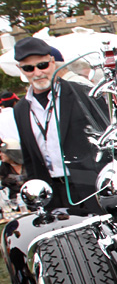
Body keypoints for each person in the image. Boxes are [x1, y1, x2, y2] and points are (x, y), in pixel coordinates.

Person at [11, 36, 107, 209]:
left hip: (90, 188)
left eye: (42, 65)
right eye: (28, 68)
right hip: (51, 195)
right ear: (21, 70)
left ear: (53, 62)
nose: (37, 73)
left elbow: (108, 139)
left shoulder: (83, 94)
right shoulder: (20, 109)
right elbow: (29, 158)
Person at [0, 138, 27, 203]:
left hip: (32, 197)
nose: (1, 154)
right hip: (16, 203)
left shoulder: (28, 164)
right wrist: (3, 183)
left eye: (3, 152)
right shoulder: (4, 168)